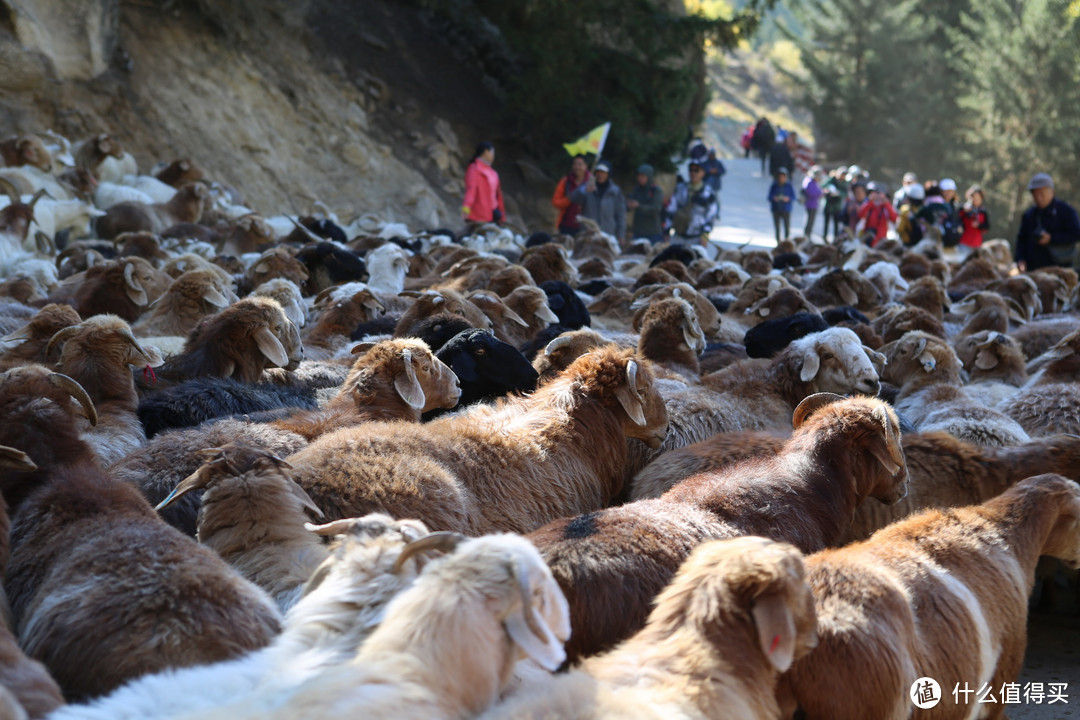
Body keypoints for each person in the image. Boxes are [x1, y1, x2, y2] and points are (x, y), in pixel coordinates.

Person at [1014, 173, 1080, 272]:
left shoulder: (1066, 211)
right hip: (1034, 269)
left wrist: (1052, 238)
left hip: (1060, 268)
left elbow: (1076, 234)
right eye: (1035, 194)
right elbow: (1022, 239)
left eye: (1041, 193)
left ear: (1052, 191)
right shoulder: (1029, 215)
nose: (1038, 198)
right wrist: (1020, 259)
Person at [666, 160, 719, 246]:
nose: (693, 173)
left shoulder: (708, 193)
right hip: (678, 236)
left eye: (696, 170)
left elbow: (712, 216)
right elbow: (671, 210)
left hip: (696, 238)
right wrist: (667, 231)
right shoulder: (680, 188)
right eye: (691, 170)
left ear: (703, 173)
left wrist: (705, 235)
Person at [570, 160, 626, 240]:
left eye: (603, 172)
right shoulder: (587, 186)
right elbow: (574, 199)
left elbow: (620, 214)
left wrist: (621, 234)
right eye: (598, 172)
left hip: (608, 234)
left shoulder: (615, 191)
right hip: (588, 233)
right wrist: (584, 190)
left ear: (608, 174)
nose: (600, 175)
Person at [462, 141, 505, 226]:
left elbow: (497, 195)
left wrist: (501, 212)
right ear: (486, 152)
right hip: (480, 214)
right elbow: (471, 190)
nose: (493, 156)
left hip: (494, 212)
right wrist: (466, 208)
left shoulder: (492, 172)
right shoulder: (474, 169)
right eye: (492, 152)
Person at [551, 155, 591, 235]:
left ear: (586, 166)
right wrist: (568, 199)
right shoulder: (566, 181)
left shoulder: (592, 182)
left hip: (585, 227)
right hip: (566, 225)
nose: (577, 167)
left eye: (580, 164)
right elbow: (555, 202)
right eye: (575, 164)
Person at [627, 163, 664, 244]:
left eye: (643, 176)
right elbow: (629, 206)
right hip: (638, 232)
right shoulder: (637, 190)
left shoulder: (656, 191)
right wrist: (629, 205)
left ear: (649, 177)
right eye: (639, 176)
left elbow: (656, 209)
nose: (640, 178)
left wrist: (639, 206)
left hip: (653, 233)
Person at [917, 182, 961, 248]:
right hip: (934, 235)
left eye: (950, 191)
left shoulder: (954, 206)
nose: (948, 194)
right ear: (941, 192)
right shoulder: (944, 206)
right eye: (946, 191)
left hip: (942, 238)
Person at [856, 182, 898, 247]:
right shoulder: (869, 205)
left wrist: (886, 203)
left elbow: (894, 218)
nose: (877, 196)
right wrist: (870, 202)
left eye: (879, 193)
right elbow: (860, 215)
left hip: (881, 241)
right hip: (867, 239)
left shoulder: (886, 207)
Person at [958, 184, 990, 256]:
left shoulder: (983, 211)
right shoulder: (964, 208)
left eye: (978, 197)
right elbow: (958, 220)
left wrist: (979, 225)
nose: (975, 200)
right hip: (964, 242)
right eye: (973, 197)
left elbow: (987, 227)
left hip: (977, 244)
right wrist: (963, 210)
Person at [768, 167, 795, 243]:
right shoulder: (774, 185)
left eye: (783, 176)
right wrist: (774, 198)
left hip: (786, 209)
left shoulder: (789, 185)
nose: (781, 178)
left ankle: (786, 241)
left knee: (786, 226)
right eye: (780, 176)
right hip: (776, 208)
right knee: (777, 226)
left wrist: (787, 198)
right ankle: (778, 241)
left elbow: (793, 197)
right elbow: (769, 196)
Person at [821, 167, 849, 241]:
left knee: (836, 223)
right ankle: (824, 237)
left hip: (837, 206)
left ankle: (835, 238)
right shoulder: (831, 179)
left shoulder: (845, 183)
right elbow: (823, 185)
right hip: (828, 204)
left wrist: (839, 193)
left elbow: (846, 194)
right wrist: (828, 190)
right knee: (826, 222)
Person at [801, 166, 824, 239]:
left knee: (811, 222)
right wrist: (820, 193)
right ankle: (806, 236)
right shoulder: (809, 181)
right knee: (809, 222)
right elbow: (811, 193)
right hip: (810, 204)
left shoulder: (814, 182)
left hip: (814, 204)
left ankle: (808, 236)